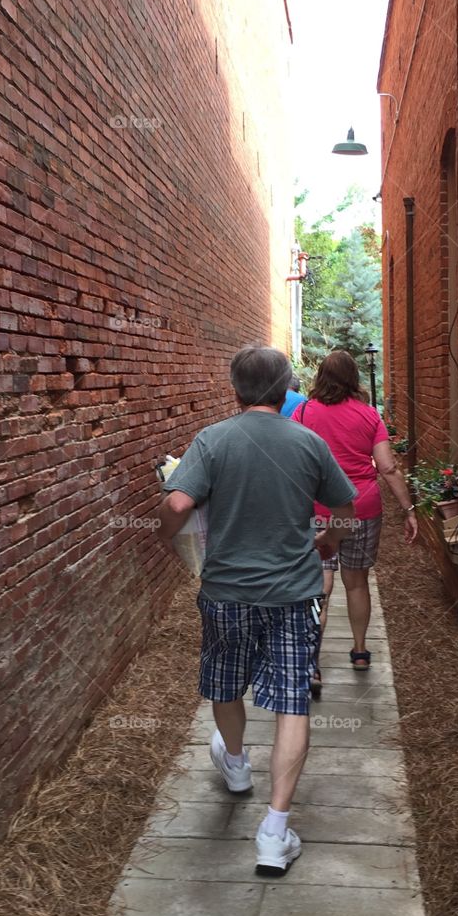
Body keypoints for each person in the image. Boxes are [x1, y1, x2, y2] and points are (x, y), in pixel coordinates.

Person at [157, 345, 357, 876]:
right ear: (286, 387)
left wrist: (166, 536)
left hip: (225, 592)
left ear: (235, 389)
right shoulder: (308, 441)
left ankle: (238, 767)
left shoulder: (213, 440)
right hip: (293, 593)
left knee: (225, 684)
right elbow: (345, 507)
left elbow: (178, 505)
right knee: (292, 702)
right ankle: (274, 830)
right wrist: (329, 543)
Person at [292, 349, 417, 693]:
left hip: (316, 511)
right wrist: (409, 509)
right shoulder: (368, 416)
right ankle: (360, 650)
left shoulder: (302, 413)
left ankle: (312, 664)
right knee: (357, 582)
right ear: (353, 378)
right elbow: (388, 467)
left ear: (320, 377)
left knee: (320, 584)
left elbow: (291, 460)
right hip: (360, 508)